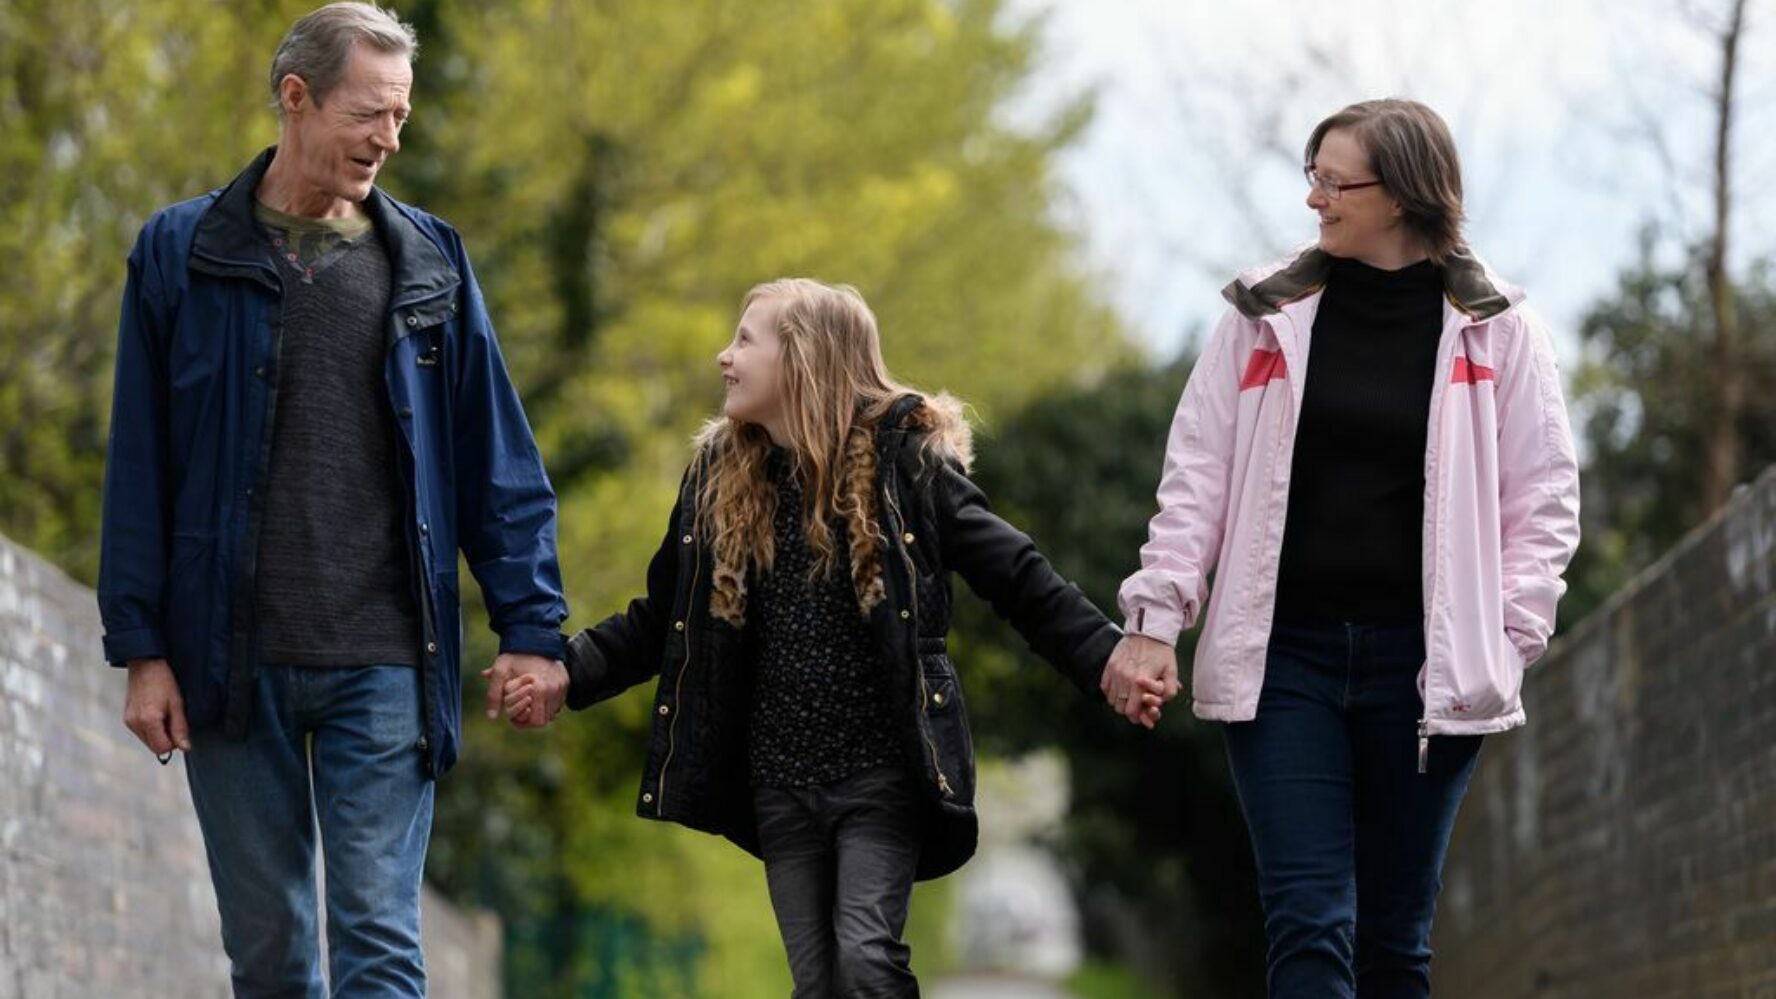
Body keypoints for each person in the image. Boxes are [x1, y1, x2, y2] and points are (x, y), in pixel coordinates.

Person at [96, 4, 569, 994]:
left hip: (388, 660)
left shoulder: (429, 262)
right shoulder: (180, 254)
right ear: (296, 97)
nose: (388, 140)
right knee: (269, 955)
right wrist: (142, 650)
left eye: (400, 117)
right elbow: (139, 465)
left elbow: (498, 460)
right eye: (369, 114)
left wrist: (531, 627)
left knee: (381, 942)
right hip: (230, 659)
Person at [502, 278, 1151, 997]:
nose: (725, 356)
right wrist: (566, 671)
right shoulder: (722, 481)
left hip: (882, 774)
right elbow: (662, 618)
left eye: (745, 339)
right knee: (817, 983)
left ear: (804, 359)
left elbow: (1020, 578)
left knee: (866, 958)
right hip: (780, 779)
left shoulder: (909, 471)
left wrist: (1107, 656)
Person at [1101, 98, 1581, 998]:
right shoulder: (1263, 312)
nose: (1314, 198)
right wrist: (1153, 619)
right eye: (1311, 176)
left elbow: (1545, 501)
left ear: (1401, 194)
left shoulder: (1498, 326)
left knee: (1396, 942)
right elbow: (1196, 475)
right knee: (1310, 924)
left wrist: (1506, 641)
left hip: (1424, 672)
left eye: (1335, 181)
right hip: (1286, 664)